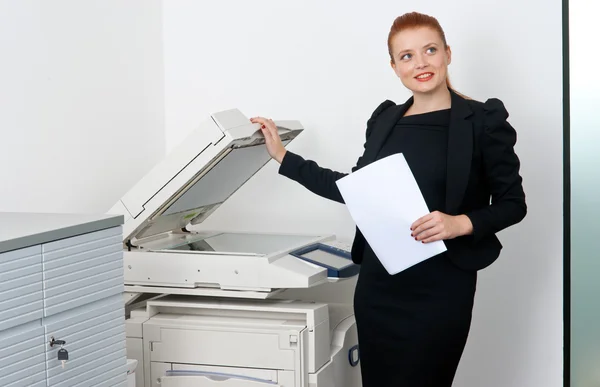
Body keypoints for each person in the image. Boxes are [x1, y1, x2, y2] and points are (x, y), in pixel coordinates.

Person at [251, 11, 526, 387]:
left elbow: (513, 203)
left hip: (442, 289)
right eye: (407, 56)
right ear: (394, 66)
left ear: (447, 53)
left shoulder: (482, 121)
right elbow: (356, 191)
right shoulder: (385, 120)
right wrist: (284, 157)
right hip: (381, 287)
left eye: (430, 50)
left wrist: (457, 223)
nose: (421, 63)